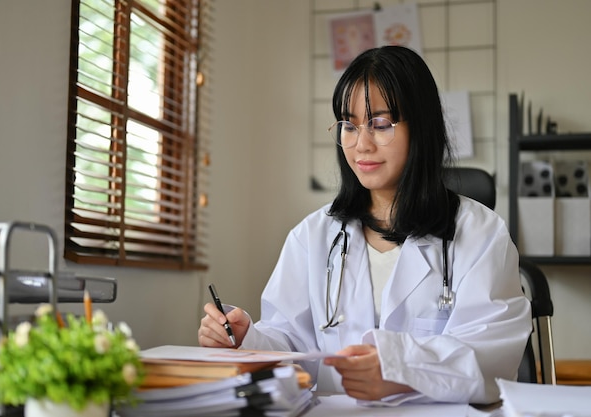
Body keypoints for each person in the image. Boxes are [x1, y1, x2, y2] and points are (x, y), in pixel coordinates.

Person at [198, 45, 531, 405]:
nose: (361, 144)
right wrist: (247, 338)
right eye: (349, 125)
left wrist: (400, 373)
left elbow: (490, 360)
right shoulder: (312, 237)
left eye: (381, 124)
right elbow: (290, 342)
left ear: (421, 127)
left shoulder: (481, 235)